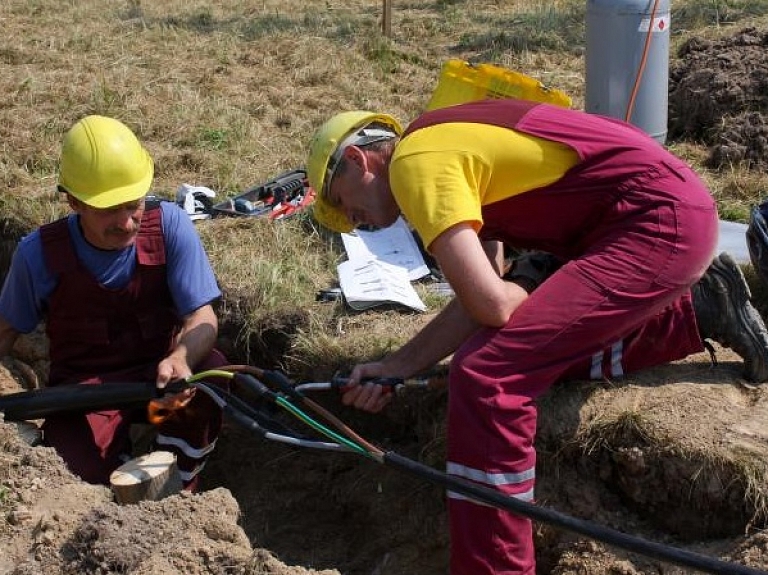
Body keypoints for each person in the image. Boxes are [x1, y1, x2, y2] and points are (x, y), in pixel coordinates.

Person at [306, 100, 768, 575]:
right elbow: (482, 305)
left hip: (651, 223)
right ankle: (696, 312)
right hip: (654, 216)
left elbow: (492, 304)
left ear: (361, 160)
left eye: (341, 201)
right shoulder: (439, 142)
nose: (352, 220)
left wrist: (524, 284)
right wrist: (400, 364)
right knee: (507, 352)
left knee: (488, 378)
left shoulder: (414, 167)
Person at [0, 115, 228, 491]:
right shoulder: (38, 255)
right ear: (75, 201)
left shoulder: (170, 226)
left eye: (132, 204)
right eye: (109, 210)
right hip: (83, 397)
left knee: (212, 373)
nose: (126, 223)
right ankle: (117, 469)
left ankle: (179, 484)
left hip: (161, 388)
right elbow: (6, 330)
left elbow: (201, 314)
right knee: (78, 479)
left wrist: (181, 359)